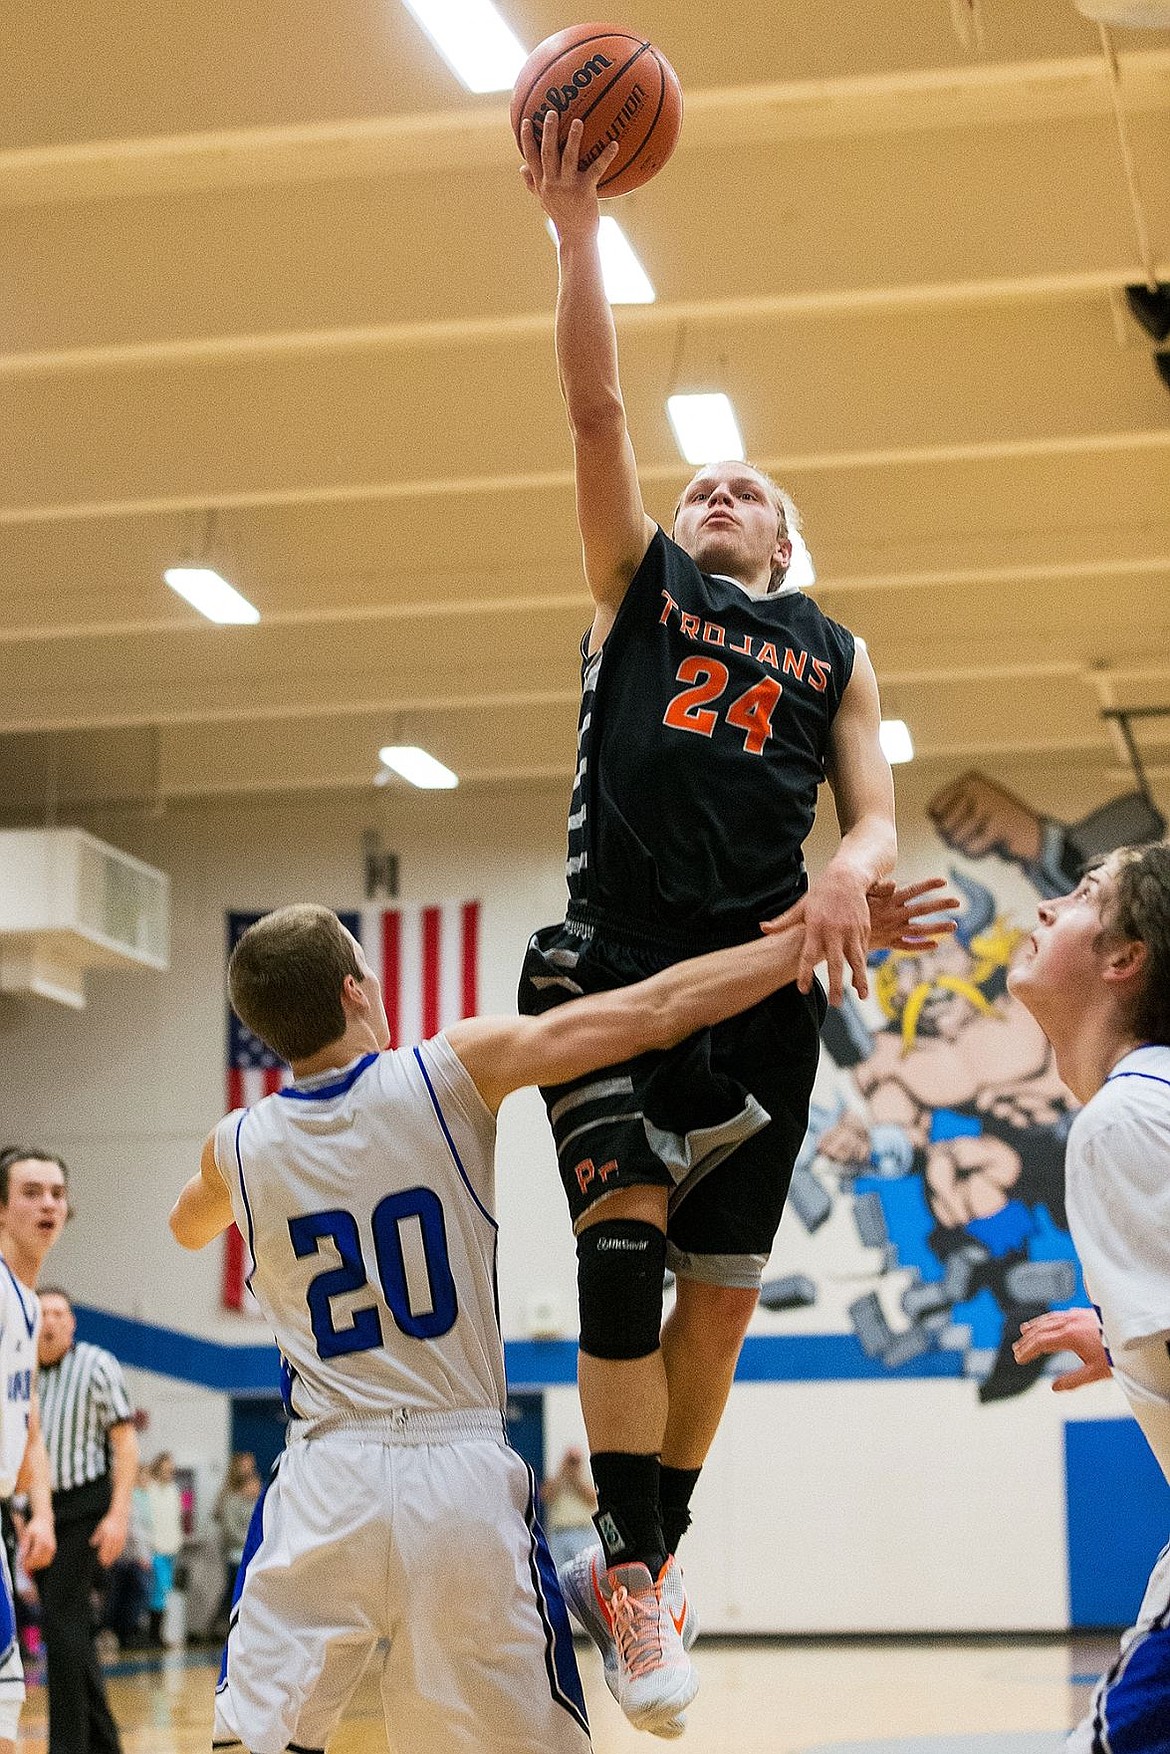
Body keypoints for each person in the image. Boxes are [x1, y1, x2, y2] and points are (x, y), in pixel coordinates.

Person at [170, 888, 949, 1752]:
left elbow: (185, 1222)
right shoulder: (447, 1071)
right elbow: (651, 1013)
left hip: (323, 1482)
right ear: (357, 989)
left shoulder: (237, 1145)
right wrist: (803, 942)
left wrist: (239, 1197)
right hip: (455, 1477)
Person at [517, 117, 899, 1730]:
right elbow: (598, 406)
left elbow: (875, 804)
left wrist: (853, 863)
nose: (715, 487)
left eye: (745, 484)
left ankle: (641, 1558)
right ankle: (629, 1557)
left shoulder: (831, 645)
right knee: (622, 1257)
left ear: (787, 535)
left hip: (759, 990)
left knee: (719, 1308)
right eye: (701, 485)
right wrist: (578, 230)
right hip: (608, 967)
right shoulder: (636, 583)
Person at [1005, 841, 1170, 1751]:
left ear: (1123, 957)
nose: (1042, 909)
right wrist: (1126, 1336)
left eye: (1081, 894)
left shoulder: (1125, 1118)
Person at [36, 1286, 137, 1754]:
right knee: (70, 1623)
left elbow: (125, 1444)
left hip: (87, 1506)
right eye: (43, 1313)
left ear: (73, 1323)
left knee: (60, 1622)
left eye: (60, 1313)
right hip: (42, 1511)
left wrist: (118, 1515)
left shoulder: (97, 1365)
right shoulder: (23, 1372)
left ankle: (67, 1745)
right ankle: (104, 1742)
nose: (51, 1321)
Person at [0, 1148, 66, 1754]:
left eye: (56, 1192)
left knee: (7, 1700)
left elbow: (31, 1422)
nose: (47, 1203)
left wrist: (40, 1511)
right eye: (30, 1191)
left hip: (3, 1518)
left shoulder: (25, 1300)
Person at [211, 1452, 261, 1639]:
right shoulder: (230, 1499)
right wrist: (251, 1542)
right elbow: (231, 1531)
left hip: (249, 1555)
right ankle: (218, 1627)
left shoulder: (255, 1503)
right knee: (232, 1592)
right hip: (234, 1554)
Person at [144, 1452, 184, 1648]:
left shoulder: (173, 1491)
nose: (169, 1473)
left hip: (170, 1549)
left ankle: (158, 1634)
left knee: (165, 1592)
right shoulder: (150, 1489)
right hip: (155, 1548)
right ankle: (153, 1635)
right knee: (157, 1592)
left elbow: (175, 1520)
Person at [543, 1447, 598, 1574]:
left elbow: (592, 1499)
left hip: (583, 1532)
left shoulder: (588, 1475)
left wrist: (576, 1478)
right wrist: (562, 1472)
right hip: (559, 1533)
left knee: (584, 1573)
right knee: (559, 1574)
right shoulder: (558, 1476)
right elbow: (546, 1496)